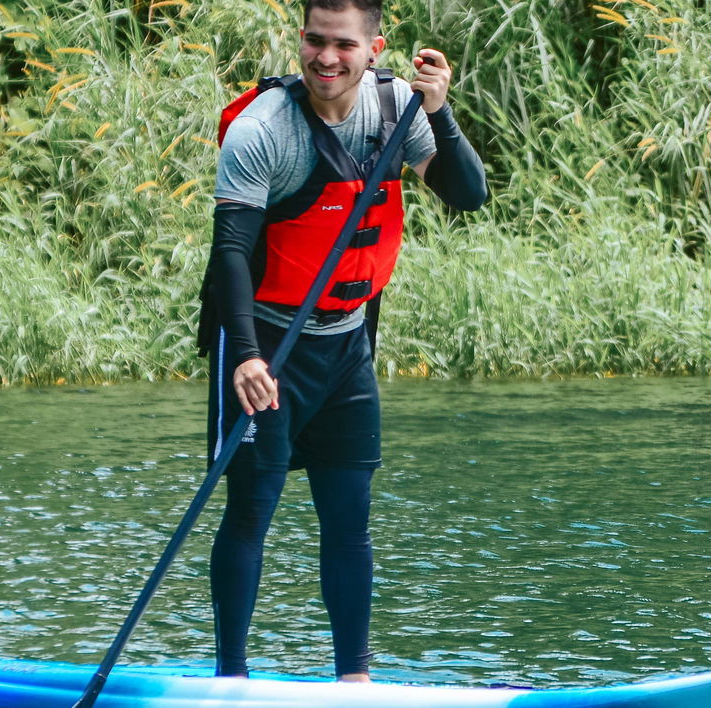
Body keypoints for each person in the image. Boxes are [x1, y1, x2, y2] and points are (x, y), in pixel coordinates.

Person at [196, 0, 487, 683]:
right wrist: (243, 355)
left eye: (344, 45)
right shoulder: (264, 131)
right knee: (250, 513)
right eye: (315, 41)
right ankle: (229, 680)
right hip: (267, 342)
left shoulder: (396, 111)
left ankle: (353, 682)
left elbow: (467, 194)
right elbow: (231, 252)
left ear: (373, 48)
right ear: (301, 40)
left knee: (348, 520)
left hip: (346, 346)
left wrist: (439, 111)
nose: (327, 58)